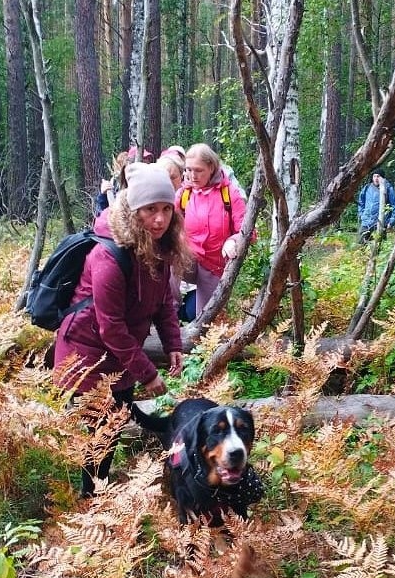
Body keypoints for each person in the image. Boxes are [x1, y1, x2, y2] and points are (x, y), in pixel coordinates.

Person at [54, 162, 191, 496]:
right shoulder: (109, 256)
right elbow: (110, 326)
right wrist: (148, 374)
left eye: (165, 209)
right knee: (98, 429)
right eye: (149, 210)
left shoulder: (159, 247)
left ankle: (100, 491)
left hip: (120, 357)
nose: (159, 219)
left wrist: (173, 343)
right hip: (86, 356)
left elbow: (161, 302)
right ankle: (91, 496)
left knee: (113, 425)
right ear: (134, 211)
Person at [177, 143, 249, 316]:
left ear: (211, 167)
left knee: (206, 320)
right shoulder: (184, 194)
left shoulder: (229, 193)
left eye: (198, 170)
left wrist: (233, 240)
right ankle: (167, 311)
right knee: (166, 258)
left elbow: (247, 231)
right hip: (189, 258)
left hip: (214, 266)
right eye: (188, 170)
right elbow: (167, 223)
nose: (192, 175)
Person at [357, 170, 395, 243]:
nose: (376, 178)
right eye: (374, 176)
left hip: (380, 222)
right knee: (361, 244)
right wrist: (362, 214)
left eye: (378, 176)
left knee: (378, 245)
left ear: (383, 178)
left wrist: (391, 221)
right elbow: (361, 201)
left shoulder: (388, 189)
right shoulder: (367, 187)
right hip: (366, 221)